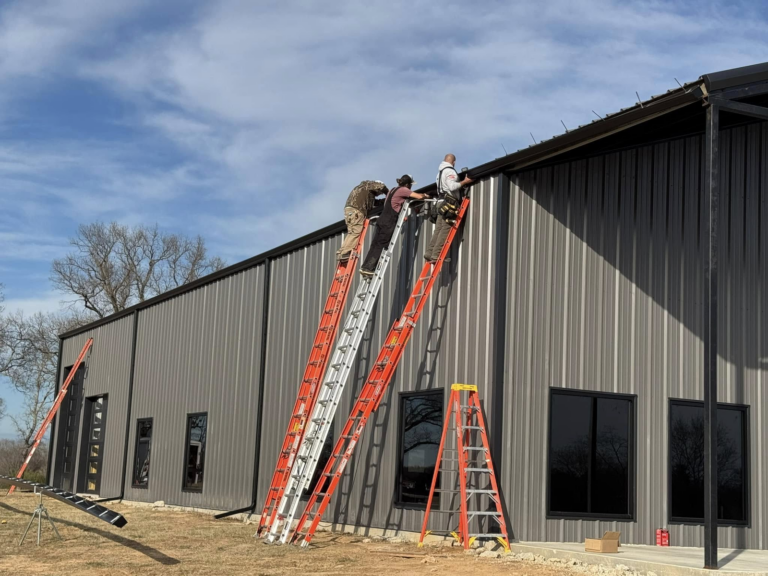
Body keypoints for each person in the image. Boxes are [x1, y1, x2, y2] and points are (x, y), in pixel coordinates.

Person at [360, 175, 428, 277]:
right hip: (388, 221)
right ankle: (370, 268)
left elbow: (394, 204)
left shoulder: (392, 190)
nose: (410, 187)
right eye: (410, 185)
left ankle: (365, 267)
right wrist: (427, 195)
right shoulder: (403, 190)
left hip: (382, 219)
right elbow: (419, 197)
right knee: (382, 244)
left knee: (375, 244)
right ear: (407, 184)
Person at [424, 154, 473, 262]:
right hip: (449, 203)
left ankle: (429, 252)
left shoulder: (440, 173)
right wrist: (464, 182)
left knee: (438, 230)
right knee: (445, 229)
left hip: (440, 202)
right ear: (453, 162)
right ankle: (436, 254)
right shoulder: (450, 171)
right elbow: (452, 186)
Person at [337, 180, 389, 261]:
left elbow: (374, 203)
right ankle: (345, 252)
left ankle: (342, 252)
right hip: (357, 211)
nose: (379, 194)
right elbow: (381, 187)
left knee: (352, 232)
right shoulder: (369, 185)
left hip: (350, 211)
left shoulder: (364, 190)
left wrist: (385, 201)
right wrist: (388, 193)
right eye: (380, 193)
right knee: (356, 232)